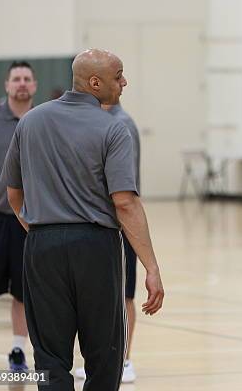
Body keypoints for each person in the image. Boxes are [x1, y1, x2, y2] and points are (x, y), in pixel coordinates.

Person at [0, 49, 164, 390]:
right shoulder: (114, 128)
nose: (124, 82)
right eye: (118, 75)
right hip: (95, 247)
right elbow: (125, 203)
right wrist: (151, 267)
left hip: (41, 246)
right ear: (95, 82)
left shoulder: (30, 121)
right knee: (104, 354)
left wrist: (38, 229)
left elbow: (13, 193)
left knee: (49, 356)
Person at [74, 102, 140, 383]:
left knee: (123, 294)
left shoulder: (119, 124)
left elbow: (125, 188)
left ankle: (123, 360)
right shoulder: (92, 121)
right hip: (93, 225)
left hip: (117, 224)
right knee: (94, 296)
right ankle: (100, 360)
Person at [0, 61, 37, 374]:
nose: (22, 83)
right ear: (6, 85)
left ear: (35, 85)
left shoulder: (42, 121)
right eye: (16, 78)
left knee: (23, 291)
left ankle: (18, 350)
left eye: (27, 78)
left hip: (27, 220)